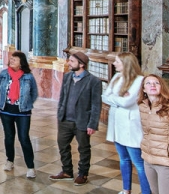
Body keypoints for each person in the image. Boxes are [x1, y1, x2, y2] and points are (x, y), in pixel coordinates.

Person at [51, 50, 102, 186]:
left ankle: (83, 173)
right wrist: (59, 114)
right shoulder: (67, 77)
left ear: (82, 65)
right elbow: (62, 97)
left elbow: (96, 105)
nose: (68, 63)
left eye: (72, 61)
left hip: (82, 121)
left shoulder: (94, 81)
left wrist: (92, 124)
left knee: (84, 149)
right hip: (65, 120)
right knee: (63, 146)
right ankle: (67, 171)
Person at [104, 53, 149, 194]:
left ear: (126, 63)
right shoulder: (116, 77)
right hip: (117, 124)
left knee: (139, 163)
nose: (114, 64)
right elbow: (104, 97)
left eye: (117, 61)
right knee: (123, 159)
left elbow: (127, 102)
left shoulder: (140, 80)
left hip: (131, 126)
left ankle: (146, 192)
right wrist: (118, 99)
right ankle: (126, 190)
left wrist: (114, 99)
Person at [0, 50, 38, 178]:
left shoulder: (28, 77)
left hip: (23, 112)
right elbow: (0, 88)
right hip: (6, 110)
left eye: (15, 59)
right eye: (11, 59)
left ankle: (30, 167)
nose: (11, 60)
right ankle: (10, 161)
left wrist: (24, 103)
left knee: (24, 138)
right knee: (9, 136)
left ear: (21, 62)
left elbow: (34, 94)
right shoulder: (4, 74)